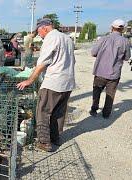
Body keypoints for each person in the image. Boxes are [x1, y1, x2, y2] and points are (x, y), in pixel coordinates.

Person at [16, 18, 76, 152]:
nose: (39, 35)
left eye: (39, 32)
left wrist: (30, 80)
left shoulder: (51, 38)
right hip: (68, 82)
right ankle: (55, 138)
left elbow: (43, 62)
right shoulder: (67, 39)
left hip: (54, 82)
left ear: (45, 28)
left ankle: (44, 142)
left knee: (42, 111)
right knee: (58, 112)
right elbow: (73, 61)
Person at [89, 19, 131, 118]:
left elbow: (93, 53)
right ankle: (106, 114)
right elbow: (127, 57)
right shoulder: (125, 41)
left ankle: (94, 110)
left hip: (100, 72)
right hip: (114, 74)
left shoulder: (103, 39)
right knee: (110, 94)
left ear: (111, 27)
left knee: (97, 91)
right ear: (123, 29)